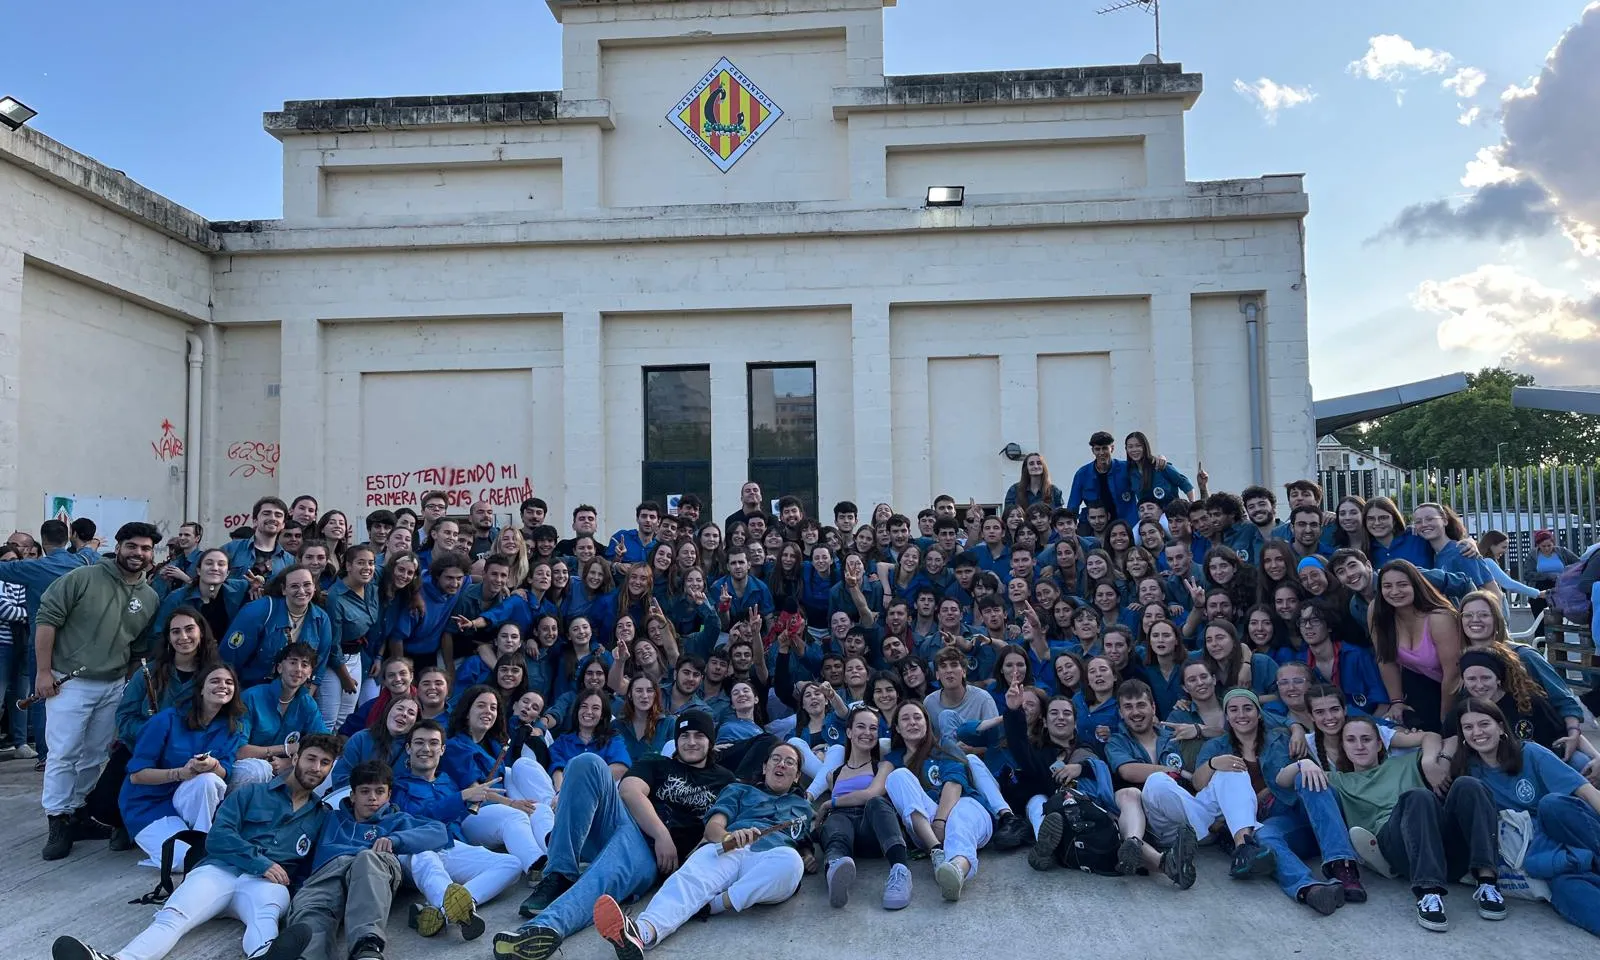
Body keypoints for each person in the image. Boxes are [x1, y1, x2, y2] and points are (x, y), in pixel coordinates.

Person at [50, 732, 343, 960]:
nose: (316, 768)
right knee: (173, 917)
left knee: (266, 919)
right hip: (220, 870)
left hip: (267, 885)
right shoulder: (252, 794)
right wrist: (261, 863)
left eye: (325, 763)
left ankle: (265, 955)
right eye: (311, 758)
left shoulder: (322, 816)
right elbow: (218, 837)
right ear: (295, 758)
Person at [496, 712, 735, 960]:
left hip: (647, 857)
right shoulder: (657, 762)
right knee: (586, 762)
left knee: (603, 873)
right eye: (684, 736)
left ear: (711, 741)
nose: (691, 742)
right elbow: (630, 791)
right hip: (626, 824)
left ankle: (542, 928)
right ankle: (559, 874)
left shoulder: (724, 780)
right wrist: (663, 834)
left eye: (699, 736)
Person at [590, 742, 815, 956]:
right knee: (692, 876)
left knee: (791, 862)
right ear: (765, 766)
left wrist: (807, 856)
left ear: (796, 776)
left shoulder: (804, 808)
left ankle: (713, 905)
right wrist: (729, 836)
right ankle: (641, 933)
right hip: (732, 847)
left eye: (789, 762)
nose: (781, 764)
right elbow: (713, 828)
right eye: (776, 759)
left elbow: (803, 842)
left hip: (769, 861)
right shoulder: (739, 790)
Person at [35, 521, 162, 861]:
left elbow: (138, 650)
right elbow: (47, 620)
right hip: (69, 681)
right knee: (63, 753)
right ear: (118, 546)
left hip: (114, 685)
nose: (138, 553)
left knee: (95, 754)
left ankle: (78, 812)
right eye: (132, 546)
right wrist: (43, 672)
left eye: (146, 548)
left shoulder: (149, 597)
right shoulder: (82, 578)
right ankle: (58, 818)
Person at [1328, 715, 1502, 932]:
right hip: (1400, 851)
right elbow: (1284, 780)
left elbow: (1454, 740)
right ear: (1343, 746)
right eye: (1351, 740)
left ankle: (1487, 882)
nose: (1360, 746)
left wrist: (1432, 760)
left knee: (1469, 785)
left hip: (1445, 851)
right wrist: (1303, 762)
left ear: (1380, 743)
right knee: (1417, 796)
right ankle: (1429, 893)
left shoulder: (1406, 762)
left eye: (1367, 739)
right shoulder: (1339, 781)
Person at [1452, 699, 1600, 934]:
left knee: (1550, 805)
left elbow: (1588, 793)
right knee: (1564, 888)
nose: (1477, 732)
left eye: (1484, 724)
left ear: (1501, 727)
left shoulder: (1530, 752)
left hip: (1574, 831)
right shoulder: (1469, 772)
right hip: (1548, 851)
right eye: (1468, 728)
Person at [287, 759, 450, 960]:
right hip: (329, 873)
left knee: (366, 858)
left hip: (372, 870)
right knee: (313, 906)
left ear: (389, 795)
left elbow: (439, 832)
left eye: (379, 791)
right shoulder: (330, 818)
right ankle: (309, 955)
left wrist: (396, 839)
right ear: (352, 796)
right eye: (365, 791)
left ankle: (366, 947)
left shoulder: (397, 819)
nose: (372, 798)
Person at [391, 719, 522, 941]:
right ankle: (455, 910)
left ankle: (456, 907)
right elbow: (415, 818)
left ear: (442, 750)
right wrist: (461, 797)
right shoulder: (397, 785)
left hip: (450, 846)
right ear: (408, 748)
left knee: (512, 863)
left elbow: (465, 815)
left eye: (433, 743)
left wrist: (498, 801)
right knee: (426, 857)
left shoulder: (447, 782)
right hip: (416, 850)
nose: (426, 749)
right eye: (419, 742)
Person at [119, 662, 247, 867]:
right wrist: (179, 773)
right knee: (180, 861)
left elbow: (225, 772)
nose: (223, 685)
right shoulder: (166, 720)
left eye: (229, 682)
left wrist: (213, 765)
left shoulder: (230, 725)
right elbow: (137, 775)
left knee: (209, 780)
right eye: (215, 681)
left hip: (188, 799)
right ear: (201, 689)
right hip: (148, 804)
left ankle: (203, 839)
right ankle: (188, 845)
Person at [884, 700, 993, 902]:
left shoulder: (944, 746)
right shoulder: (894, 759)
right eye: (905, 719)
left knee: (959, 815)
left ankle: (956, 870)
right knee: (897, 776)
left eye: (918, 717)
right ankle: (937, 852)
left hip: (964, 808)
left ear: (927, 723)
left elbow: (954, 783)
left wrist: (941, 822)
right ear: (897, 728)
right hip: (925, 830)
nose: (912, 722)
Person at [813, 706, 912, 909]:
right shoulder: (834, 774)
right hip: (843, 831)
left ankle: (900, 871)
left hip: (872, 830)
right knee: (837, 818)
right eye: (860, 726)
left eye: (873, 728)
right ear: (848, 732)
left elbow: (870, 794)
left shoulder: (883, 766)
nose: (867, 733)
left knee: (876, 802)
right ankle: (835, 869)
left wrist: (829, 803)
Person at [1369, 560, 1462, 732]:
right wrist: (1396, 702)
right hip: (1419, 681)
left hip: (1455, 687)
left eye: (1402, 585)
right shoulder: (1377, 611)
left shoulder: (1439, 618)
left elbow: (1453, 674)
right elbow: (1385, 659)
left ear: (1416, 585)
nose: (1395, 592)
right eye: (1387, 586)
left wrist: (1444, 720)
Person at [232, 643, 330, 788]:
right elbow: (238, 751)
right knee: (259, 770)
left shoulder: (307, 703)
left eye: (305, 665)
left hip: (283, 768)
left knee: (325, 767)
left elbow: (325, 743)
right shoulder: (252, 697)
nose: (298, 669)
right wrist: (285, 749)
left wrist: (289, 762)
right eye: (292, 662)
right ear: (279, 668)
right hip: (244, 768)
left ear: (310, 673)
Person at [221, 566, 334, 689]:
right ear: (284, 589)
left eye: (307, 585)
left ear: (314, 587)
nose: (302, 591)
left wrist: (302, 700)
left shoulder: (322, 619)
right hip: (251, 689)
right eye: (294, 586)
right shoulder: (257, 611)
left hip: (294, 692)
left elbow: (318, 666)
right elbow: (229, 659)